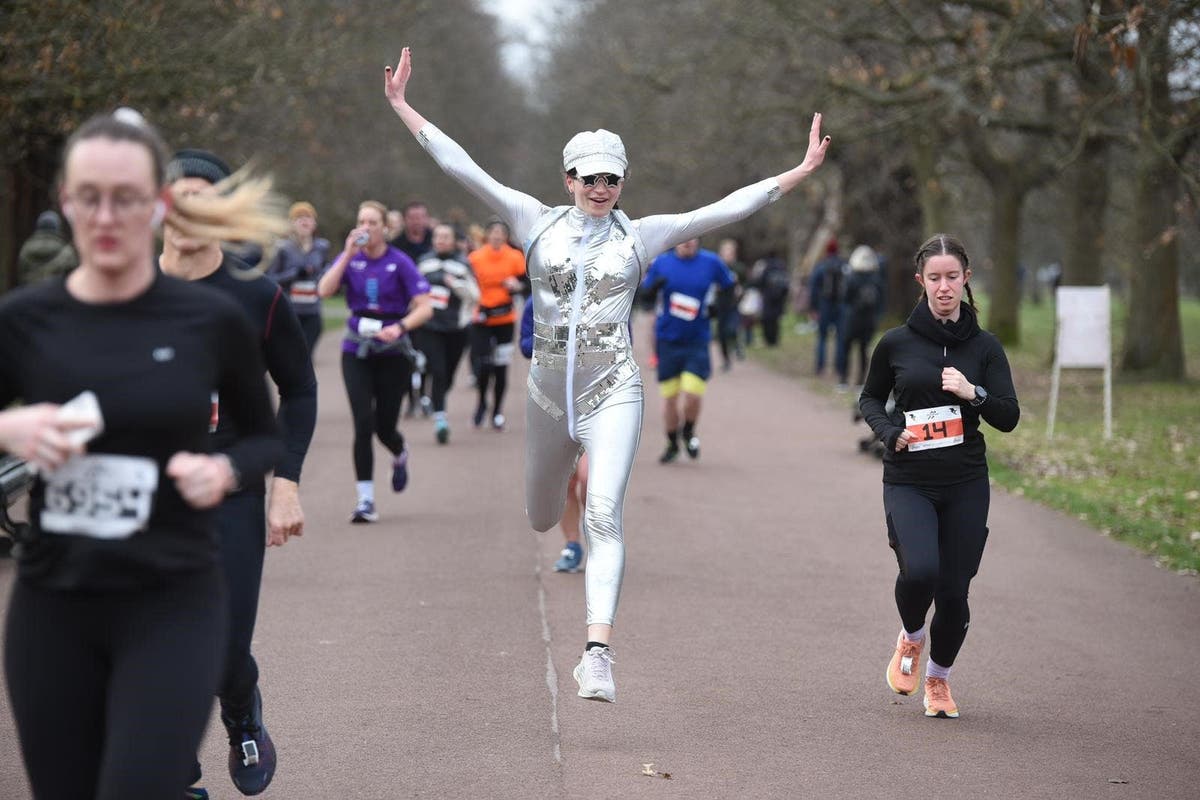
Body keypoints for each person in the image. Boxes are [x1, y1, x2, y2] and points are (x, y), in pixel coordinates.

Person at [385, 46, 829, 702]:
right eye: (589, 179)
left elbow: (727, 208)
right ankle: (559, 479)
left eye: (610, 180)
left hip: (612, 388)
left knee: (604, 513)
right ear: (568, 179)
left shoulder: (643, 234)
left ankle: (597, 652)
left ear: (622, 182)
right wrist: (401, 106)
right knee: (541, 516)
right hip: (546, 394)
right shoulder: (532, 220)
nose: (600, 190)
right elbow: (462, 166)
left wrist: (799, 171)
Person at [0, 109, 283, 799]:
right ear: (65, 202)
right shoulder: (25, 321)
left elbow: (263, 433)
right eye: (88, 196)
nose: (106, 215)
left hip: (172, 601)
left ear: (157, 205)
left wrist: (226, 469)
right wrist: (7, 429)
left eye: (125, 197)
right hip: (54, 606)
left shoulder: (209, 320)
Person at [159, 148, 318, 797]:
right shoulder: (120, 285)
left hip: (229, 491)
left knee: (221, 645)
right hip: (144, 495)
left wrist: (286, 481)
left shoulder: (257, 296)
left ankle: (241, 707)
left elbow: (300, 391)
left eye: (205, 197)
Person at [858, 233, 1020, 719]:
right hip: (909, 478)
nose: (944, 287)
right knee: (921, 571)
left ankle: (939, 680)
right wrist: (890, 432)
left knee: (954, 591)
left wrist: (975, 393)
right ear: (920, 282)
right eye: (935, 278)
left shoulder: (986, 348)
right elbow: (869, 398)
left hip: (966, 480)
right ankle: (911, 638)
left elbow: (1009, 416)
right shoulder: (896, 343)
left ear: (966, 279)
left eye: (953, 277)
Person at [317, 200, 432, 523]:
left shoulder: (400, 262)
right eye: (361, 221)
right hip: (357, 350)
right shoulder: (350, 259)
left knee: (384, 428)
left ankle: (399, 451)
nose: (365, 228)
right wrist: (346, 254)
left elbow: (425, 307)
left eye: (372, 222)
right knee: (362, 425)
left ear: (385, 228)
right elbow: (324, 291)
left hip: (392, 353)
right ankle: (365, 500)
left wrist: (400, 327)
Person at [642, 238, 734, 463]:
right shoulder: (662, 263)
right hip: (668, 340)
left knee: (692, 394)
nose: (688, 244)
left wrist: (718, 308)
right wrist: (653, 290)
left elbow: (730, 288)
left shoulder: (712, 262)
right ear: (675, 242)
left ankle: (689, 431)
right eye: (683, 240)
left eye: (692, 240)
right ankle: (672, 441)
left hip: (697, 340)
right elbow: (643, 296)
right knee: (671, 398)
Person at [520, 300, 588, 572]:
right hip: (554, 402)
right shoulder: (539, 299)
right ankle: (572, 545)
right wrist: (559, 344)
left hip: (595, 398)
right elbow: (525, 345)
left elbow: (624, 339)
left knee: (590, 479)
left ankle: (599, 533)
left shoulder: (606, 295)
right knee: (568, 482)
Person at [412, 223, 479, 444]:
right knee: (438, 370)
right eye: (437, 236)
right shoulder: (424, 262)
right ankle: (441, 419)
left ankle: (437, 397)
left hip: (456, 328)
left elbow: (475, 295)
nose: (440, 240)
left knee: (448, 374)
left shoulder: (462, 264)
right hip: (429, 326)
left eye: (445, 236)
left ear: (453, 240)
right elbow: (411, 289)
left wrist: (456, 285)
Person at [467, 219, 525, 430]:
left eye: (501, 233)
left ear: (506, 237)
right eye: (493, 232)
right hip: (481, 318)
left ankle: (497, 411)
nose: (497, 236)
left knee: (501, 368)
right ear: (487, 235)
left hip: (505, 320)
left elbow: (527, 283)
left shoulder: (515, 257)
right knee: (483, 365)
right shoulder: (475, 258)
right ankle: (482, 402)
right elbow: (466, 283)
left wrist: (517, 285)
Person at [266, 201, 331, 356]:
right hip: (290, 310)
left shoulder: (322, 247)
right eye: (299, 218)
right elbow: (271, 279)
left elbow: (327, 269)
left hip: (313, 309)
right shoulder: (282, 248)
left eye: (308, 217)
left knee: (306, 354)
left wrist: (322, 276)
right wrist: (295, 273)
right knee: (291, 354)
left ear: (314, 223)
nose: (304, 221)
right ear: (292, 224)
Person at [836, 244, 883, 390]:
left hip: (851, 320)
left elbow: (844, 298)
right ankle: (860, 382)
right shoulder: (876, 279)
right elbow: (881, 300)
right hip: (868, 321)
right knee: (863, 351)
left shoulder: (851, 278)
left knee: (846, 349)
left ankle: (843, 380)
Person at [808, 238, 846, 374]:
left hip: (824, 305)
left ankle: (820, 367)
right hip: (841, 306)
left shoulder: (821, 266)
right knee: (840, 338)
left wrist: (813, 307)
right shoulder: (844, 265)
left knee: (822, 337)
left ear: (827, 250)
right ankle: (840, 368)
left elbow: (813, 288)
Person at [17, 209, 78, 286]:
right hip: (55, 294)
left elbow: (21, 273)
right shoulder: (66, 252)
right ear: (57, 228)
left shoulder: (26, 248)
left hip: (31, 293)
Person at [713, 238, 745, 369]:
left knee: (731, 329)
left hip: (734, 304)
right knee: (721, 334)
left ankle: (738, 347)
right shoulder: (717, 267)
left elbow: (748, 282)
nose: (728, 255)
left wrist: (741, 288)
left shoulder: (739, 267)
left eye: (730, 252)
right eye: (725, 252)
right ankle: (726, 360)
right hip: (720, 304)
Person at [757, 253, 791, 347]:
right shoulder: (782, 267)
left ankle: (768, 340)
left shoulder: (767, 267)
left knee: (767, 320)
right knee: (776, 320)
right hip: (779, 297)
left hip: (768, 297)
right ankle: (775, 340)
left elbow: (761, 281)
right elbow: (786, 283)